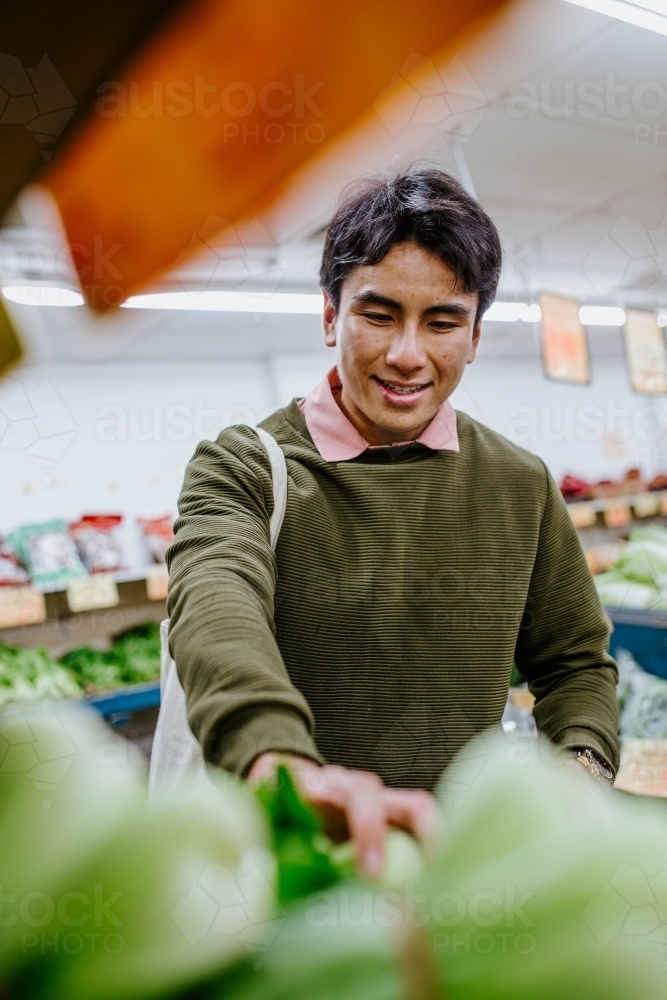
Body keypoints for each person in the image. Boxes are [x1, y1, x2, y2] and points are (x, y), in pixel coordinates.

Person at [167, 169, 619, 877]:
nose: (408, 354)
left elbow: (574, 666)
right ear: (329, 316)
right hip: (287, 861)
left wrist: (581, 766)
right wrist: (277, 760)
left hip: (461, 868)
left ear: (472, 337)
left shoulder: (518, 483)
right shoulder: (244, 469)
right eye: (378, 315)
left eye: (441, 323)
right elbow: (216, 606)